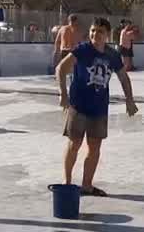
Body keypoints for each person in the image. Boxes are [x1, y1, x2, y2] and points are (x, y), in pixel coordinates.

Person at [57, 17, 138, 196]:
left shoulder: (112, 55)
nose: (95, 34)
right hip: (78, 106)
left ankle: (87, 185)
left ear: (107, 35)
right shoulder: (82, 50)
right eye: (93, 30)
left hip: (99, 109)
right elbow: (61, 69)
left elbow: (124, 78)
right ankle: (67, 182)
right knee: (74, 144)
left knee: (94, 148)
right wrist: (63, 94)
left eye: (100, 31)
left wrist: (130, 100)